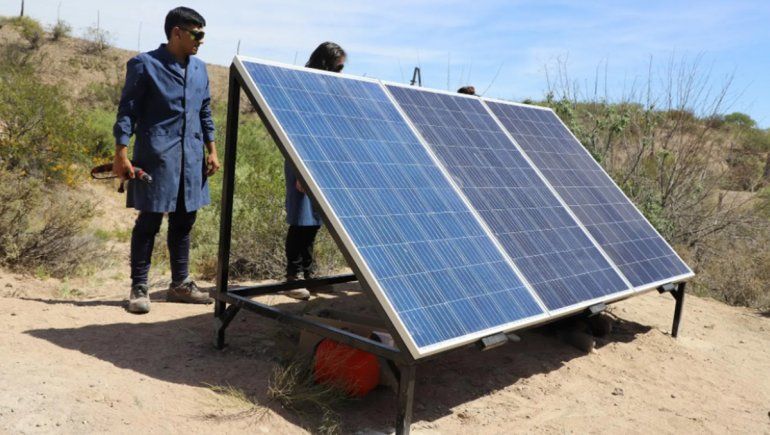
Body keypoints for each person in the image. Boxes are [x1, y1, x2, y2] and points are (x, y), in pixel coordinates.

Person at [113, 7, 220, 314]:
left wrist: (211, 150)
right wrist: (121, 152)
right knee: (149, 219)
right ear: (177, 32)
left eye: (202, 34)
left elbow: (205, 113)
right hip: (157, 157)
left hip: (192, 157)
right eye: (196, 34)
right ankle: (139, 287)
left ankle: (181, 284)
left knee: (185, 219)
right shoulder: (145, 64)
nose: (201, 40)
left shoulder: (200, 69)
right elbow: (128, 112)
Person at [282, 42, 346, 300]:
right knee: (300, 221)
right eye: (338, 67)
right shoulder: (304, 89)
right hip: (302, 161)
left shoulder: (327, 91)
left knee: (314, 223)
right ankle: (292, 277)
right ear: (326, 63)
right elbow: (296, 133)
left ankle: (310, 275)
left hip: (321, 163)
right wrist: (300, 172)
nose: (341, 73)